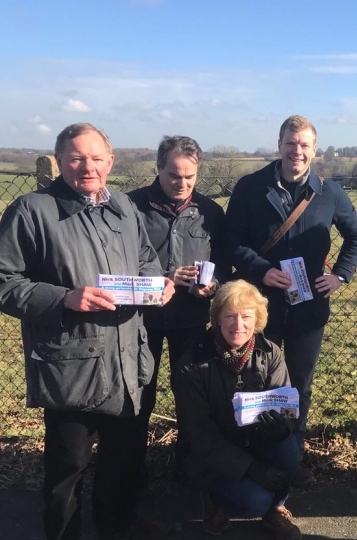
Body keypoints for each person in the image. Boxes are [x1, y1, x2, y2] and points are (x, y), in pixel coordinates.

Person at [0, 123, 175, 540]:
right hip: (71, 364)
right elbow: (5, 280)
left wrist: (159, 283)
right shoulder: (32, 211)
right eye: (76, 158)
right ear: (59, 161)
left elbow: (146, 258)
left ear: (110, 162)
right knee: (67, 470)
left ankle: (116, 526)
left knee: (122, 459)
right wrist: (63, 298)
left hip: (127, 357)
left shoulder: (125, 208)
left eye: (97, 158)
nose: (87, 166)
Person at [224, 115, 357, 485]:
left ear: (315, 150)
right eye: (291, 143)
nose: (297, 151)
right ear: (279, 145)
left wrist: (340, 276)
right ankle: (253, 458)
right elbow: (231, 241)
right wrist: (260, 270)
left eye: (304, 145)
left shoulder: (329, 192)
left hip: (309, 308)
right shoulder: (250, 187)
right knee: (256, 381)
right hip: (260, 307)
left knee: (299, 385)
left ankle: (291, 457)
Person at [173, 280, 302, 539]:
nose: (238, 325)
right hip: (210, 458)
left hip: (255, 443)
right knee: (253, 501)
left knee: (290, 450)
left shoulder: (270, 353)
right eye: (230, 316)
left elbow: (286, 407)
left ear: (257, 321)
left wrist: (280, 430)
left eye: (246, 317)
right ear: (217, 319)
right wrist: (252, 469)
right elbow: (200, 436)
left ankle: (276, 508)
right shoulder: (193, 363)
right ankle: (212, 499)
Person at [128, 135, 229, 465]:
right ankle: (131, 469)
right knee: (139, 395)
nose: (182, 183)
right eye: (173, 175)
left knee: (192, 396)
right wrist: (165, 279)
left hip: (191, 319)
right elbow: (116, 266)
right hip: (141, 320)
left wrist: (211, 286)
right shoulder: (131, 208)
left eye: (190, 176)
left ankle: (190, 466)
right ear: (157, 168)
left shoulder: (211, 212)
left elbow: (224, 267)